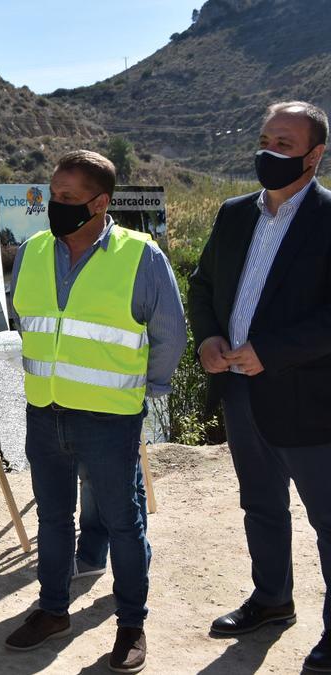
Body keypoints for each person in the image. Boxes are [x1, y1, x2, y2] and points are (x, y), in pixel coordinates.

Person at [5, 150, 186, 673]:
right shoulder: (34, 251)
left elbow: (169, 334)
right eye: (52, 195)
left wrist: (143, 390)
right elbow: (29, 320)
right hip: (44, 411)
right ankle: (52, 611)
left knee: (122, 523)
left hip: (108, 418)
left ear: (100, 203)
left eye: (67, 199)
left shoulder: (140, 255)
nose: (54, 206)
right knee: (54, 519)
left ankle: (131, 623)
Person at [188, 101, 331, 672]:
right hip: (240, 392)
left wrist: (270, 351)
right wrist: (208, 339)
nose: (270, 152)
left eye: (285, 143)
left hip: (309, 399)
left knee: (328, 520)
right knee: (261, 505)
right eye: (266, 139)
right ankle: (272, 599)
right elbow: (201, 285)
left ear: (315, 156)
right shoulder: (233, 214)